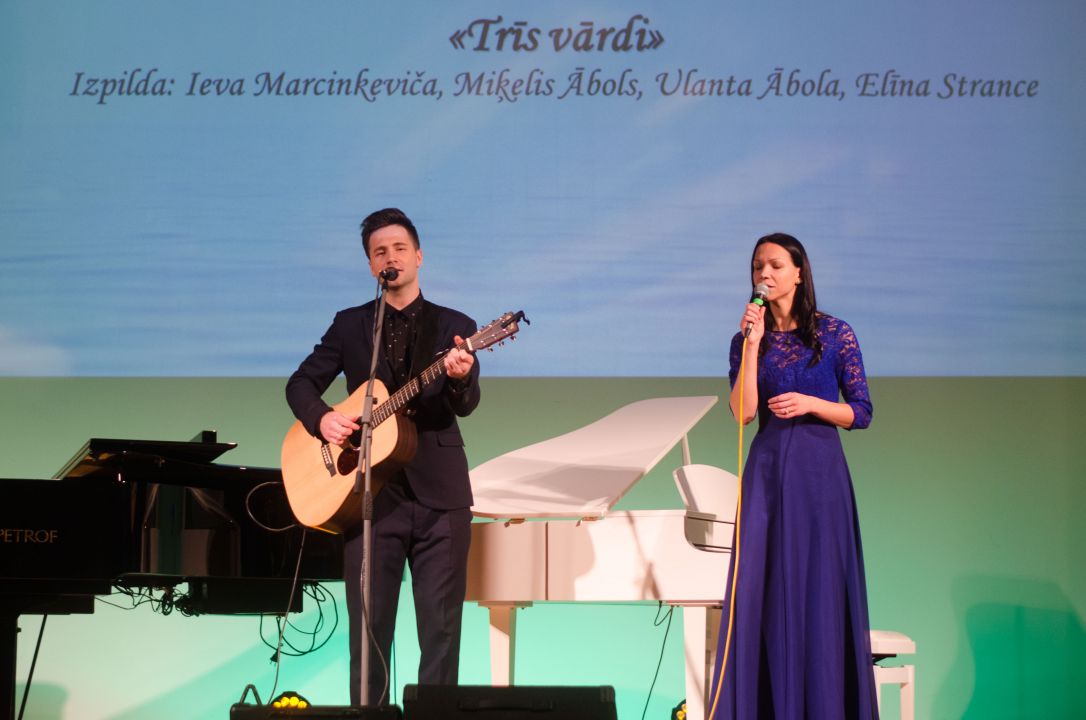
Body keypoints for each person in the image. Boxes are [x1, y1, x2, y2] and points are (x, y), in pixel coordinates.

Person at [285, 207, 480, 705]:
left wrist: (460, 378)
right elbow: (301, 383)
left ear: (418, 256)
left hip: (441, 499)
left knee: (441, 634)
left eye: (399, 248)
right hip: (369, 496)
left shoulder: (455, 325)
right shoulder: (351, 325)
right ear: (372, 266)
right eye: (379, 252)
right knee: (369, 636)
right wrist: (322, 420)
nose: (390, 258)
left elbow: (466, 405)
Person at [709, 233, 878, 719]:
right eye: (757, 266)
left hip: (819, 476)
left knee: (819, 589)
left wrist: (812, 404)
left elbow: (862, 412)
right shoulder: (747, 340)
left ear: (799, 273)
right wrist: (753, 345)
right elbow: (743, 413)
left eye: (776, 265)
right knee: (762, 591)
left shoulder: (835, 334)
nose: (764, 274)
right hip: (766, 474)